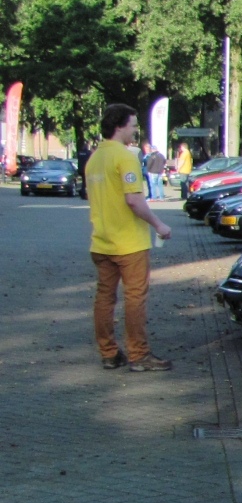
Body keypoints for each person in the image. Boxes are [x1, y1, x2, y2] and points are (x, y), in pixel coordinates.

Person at [87, 104, 174, 372]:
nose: (136, 131)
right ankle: (139, 355)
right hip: (129, 243)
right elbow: (134, 200)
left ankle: (109, 353)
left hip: (101, 241)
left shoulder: (94, 159)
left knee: (104, 298)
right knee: (135, 298)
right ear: (119, 126)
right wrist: (159, 224)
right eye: (133, 125)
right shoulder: (125, 158)